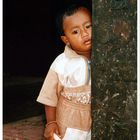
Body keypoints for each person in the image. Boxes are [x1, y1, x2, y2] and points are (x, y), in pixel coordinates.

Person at [37, 1, 92, 139]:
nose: (85, 33)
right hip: (68, 126)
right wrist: (51, 122)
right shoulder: (61, 63)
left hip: (94, 123)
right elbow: (49, 97)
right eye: (75, 31)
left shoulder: (106, 58)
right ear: (66, 39)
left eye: (88, 26)